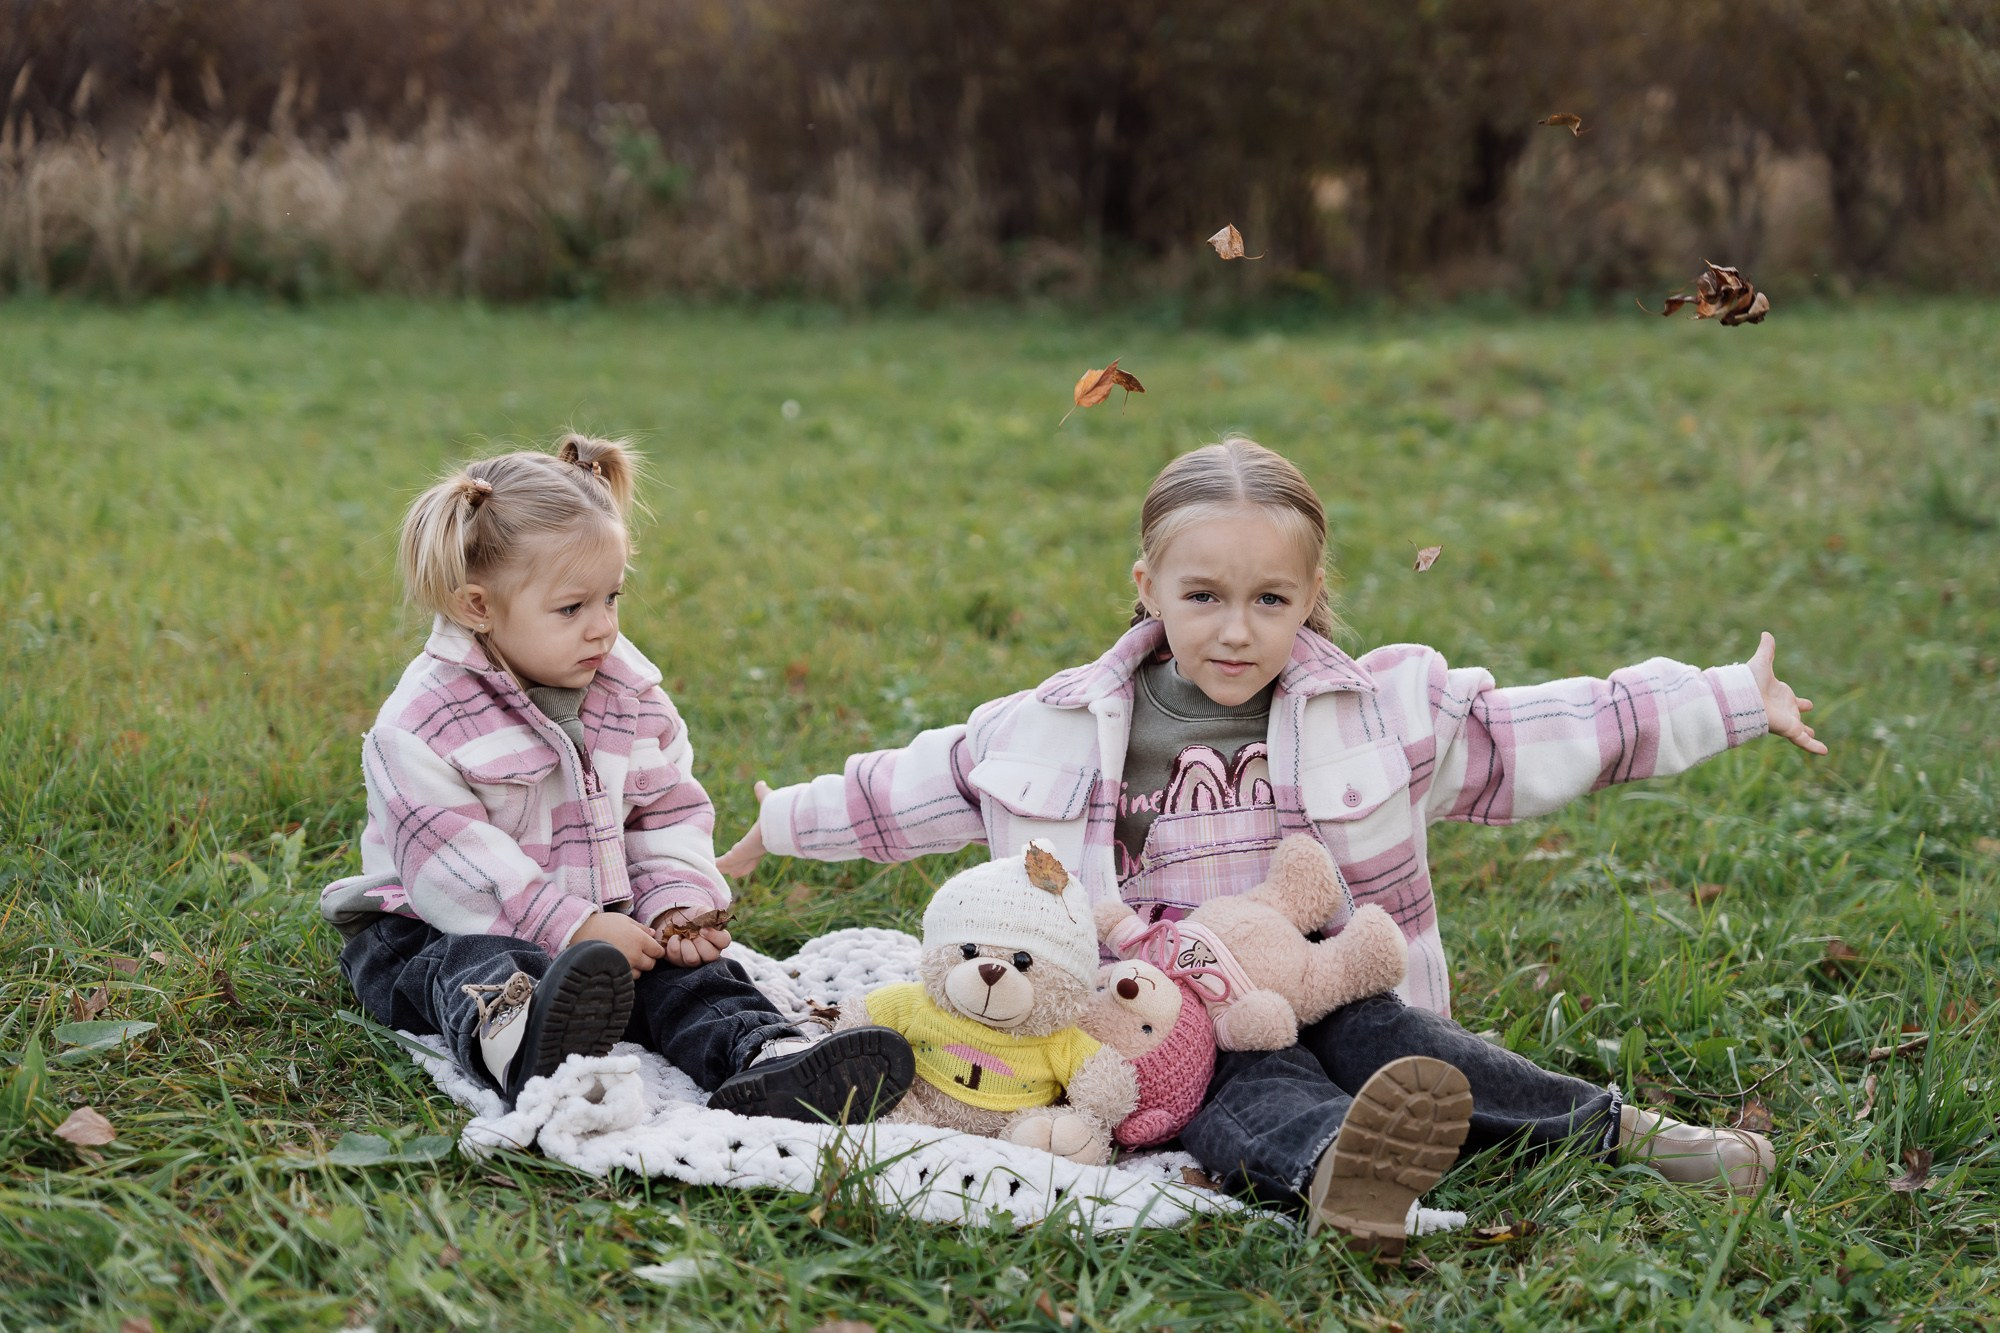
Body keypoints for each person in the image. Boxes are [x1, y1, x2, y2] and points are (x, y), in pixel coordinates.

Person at [718, 437, 1825, 1254]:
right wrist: (782, 820)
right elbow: (910, 786)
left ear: (1308, 598)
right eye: (1203, 596)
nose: (1235, 629)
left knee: (1397, 1037)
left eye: (1269, 598)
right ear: (1146, 589)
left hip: (1321, 968)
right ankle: (1344, 1167)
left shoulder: (1376, 710)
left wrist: (1730, 698)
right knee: (1252, 1080)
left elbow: (1541, 727)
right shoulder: (1049, 727)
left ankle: (1618, 1130)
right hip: (1168, 1005)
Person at [321, 434, 915, 1119]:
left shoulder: (627, 692)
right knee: (475, 966)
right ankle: (522, 1044)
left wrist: (673, 899)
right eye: (572, 609)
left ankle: (763, 1058)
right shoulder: (421, 721)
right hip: (427, 924)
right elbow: (455, 868)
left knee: (690, 972)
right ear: (478, 608)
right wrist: (570, 927)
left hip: (599, 923)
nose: (602, 628)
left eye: (612, 598)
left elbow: (664, 810)